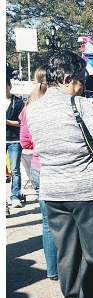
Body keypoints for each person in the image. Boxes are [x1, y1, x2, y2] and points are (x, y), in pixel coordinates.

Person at [26, 51, 93, 298]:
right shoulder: (79, 105)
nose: (83, 86)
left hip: (53, 191)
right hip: (87, 190)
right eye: (80, 81)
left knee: (66, 252)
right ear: (66, 79)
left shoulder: (33, 108)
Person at [19, 65, 59, 281]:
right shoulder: (53, 108)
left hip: (37, 167)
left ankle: (52, 270)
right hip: (53, 168)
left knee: (47, 222)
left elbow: (24, 141)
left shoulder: (28, 108)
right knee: (63, 222)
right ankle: (67, 267)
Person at [6, 75, 26, 208]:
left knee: (15, 169)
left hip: (14, 139)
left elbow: (21, 123)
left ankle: (15, 196)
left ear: (10, 86)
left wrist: (6, 122)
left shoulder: (18, 102)